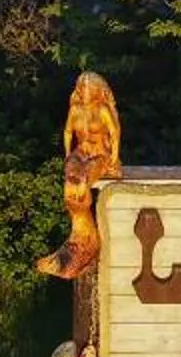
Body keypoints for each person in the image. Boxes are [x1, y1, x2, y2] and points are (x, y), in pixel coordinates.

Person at [36, 72, 124, 279]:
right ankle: (78, 235)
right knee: (70, 180)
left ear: (96, 91)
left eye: (88, 88)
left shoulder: (102, 109)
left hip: (99, 154)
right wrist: (68, 155)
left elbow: (115, 133)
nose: (84, 92)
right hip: (80, 153)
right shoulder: (75, 109)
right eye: (81, 88)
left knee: (82, 181)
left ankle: (86, 241)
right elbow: (68, 132)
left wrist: (113, 159)